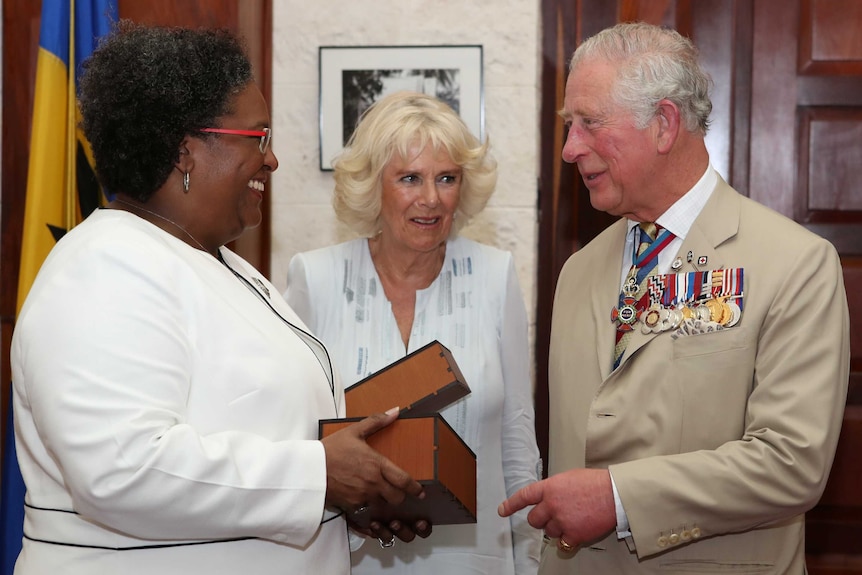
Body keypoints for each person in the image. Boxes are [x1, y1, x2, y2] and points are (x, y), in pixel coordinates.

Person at [10, 22, 429, 575]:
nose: (272, 160)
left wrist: (346, 499)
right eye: (258, 138)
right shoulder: (102, 268)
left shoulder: (225, 266)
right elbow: (122, 469)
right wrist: (317, 476)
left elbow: (263, 439)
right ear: (186, 151)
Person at [498, 21, 850, 574]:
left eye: (589, 124)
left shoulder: (795, 264)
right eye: (570, 126)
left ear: (663, 124)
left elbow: (790, 463)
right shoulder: (578, 271)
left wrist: (616, 498)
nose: (569, 149)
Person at [284, 91, 542, 574]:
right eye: (409, 178)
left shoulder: (494, 275)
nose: (431, 198)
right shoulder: (314, 279)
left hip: (474, 560)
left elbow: (515, 434)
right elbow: (294, 434)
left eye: (447, 178)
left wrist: (528, 561)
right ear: (372, 187)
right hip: (348, 556)